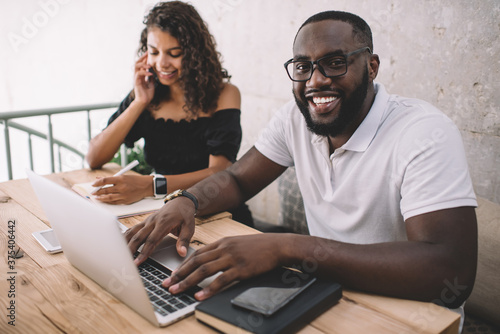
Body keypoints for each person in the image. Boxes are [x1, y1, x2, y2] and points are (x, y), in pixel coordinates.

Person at [126, 9, 477, 323]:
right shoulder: (296, 117)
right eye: (303, 66)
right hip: (324, 294)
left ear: (371, 67)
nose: (316, 80)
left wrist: (287, 247)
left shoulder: (424, 132)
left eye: (335, 62)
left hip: (405, 315)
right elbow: (236, 179)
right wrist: (187, 201)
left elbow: (451, 274)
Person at [85, 1, 253, 226]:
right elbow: (94, 157)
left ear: (195, 54)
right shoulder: (147, 92)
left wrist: (150, 185)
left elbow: (220, 171)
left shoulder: (224, 94)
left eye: (174, 53)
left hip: (214, 212)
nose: (161, 63)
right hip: (162, 210)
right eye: (153, 52)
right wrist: (140, 102)